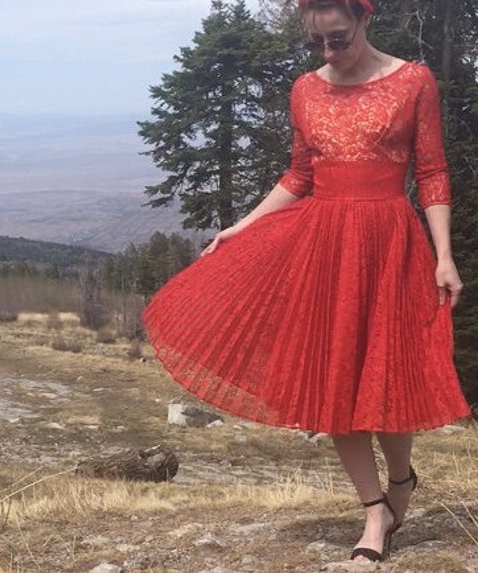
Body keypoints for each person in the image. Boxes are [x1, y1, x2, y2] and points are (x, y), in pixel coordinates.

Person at [143, 0, 471, 563]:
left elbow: (434, 172)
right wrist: (242, 226)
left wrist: (445, 256)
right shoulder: (305, 89)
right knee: (335, 381)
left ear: (365, 20)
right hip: (325, 248)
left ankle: (401, 482)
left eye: (338, 38)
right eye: (318, 41)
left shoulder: (414, 81)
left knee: (387, 379)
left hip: (391, 244)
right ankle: (373, 512)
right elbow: (299, 174)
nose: (327, 52)